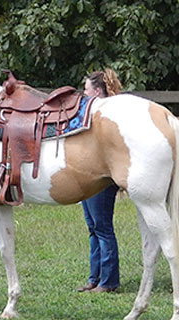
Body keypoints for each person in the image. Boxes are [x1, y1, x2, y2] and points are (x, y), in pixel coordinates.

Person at [76, 69, 123, 293]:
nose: (84, 95)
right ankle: (95, 277)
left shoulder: (106, 116)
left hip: (100, 175)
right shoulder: (92, 114)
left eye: (86, 90)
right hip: (88, 173)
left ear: (96, 91)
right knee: (93, 227)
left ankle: (109, 281)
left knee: (102, 227)